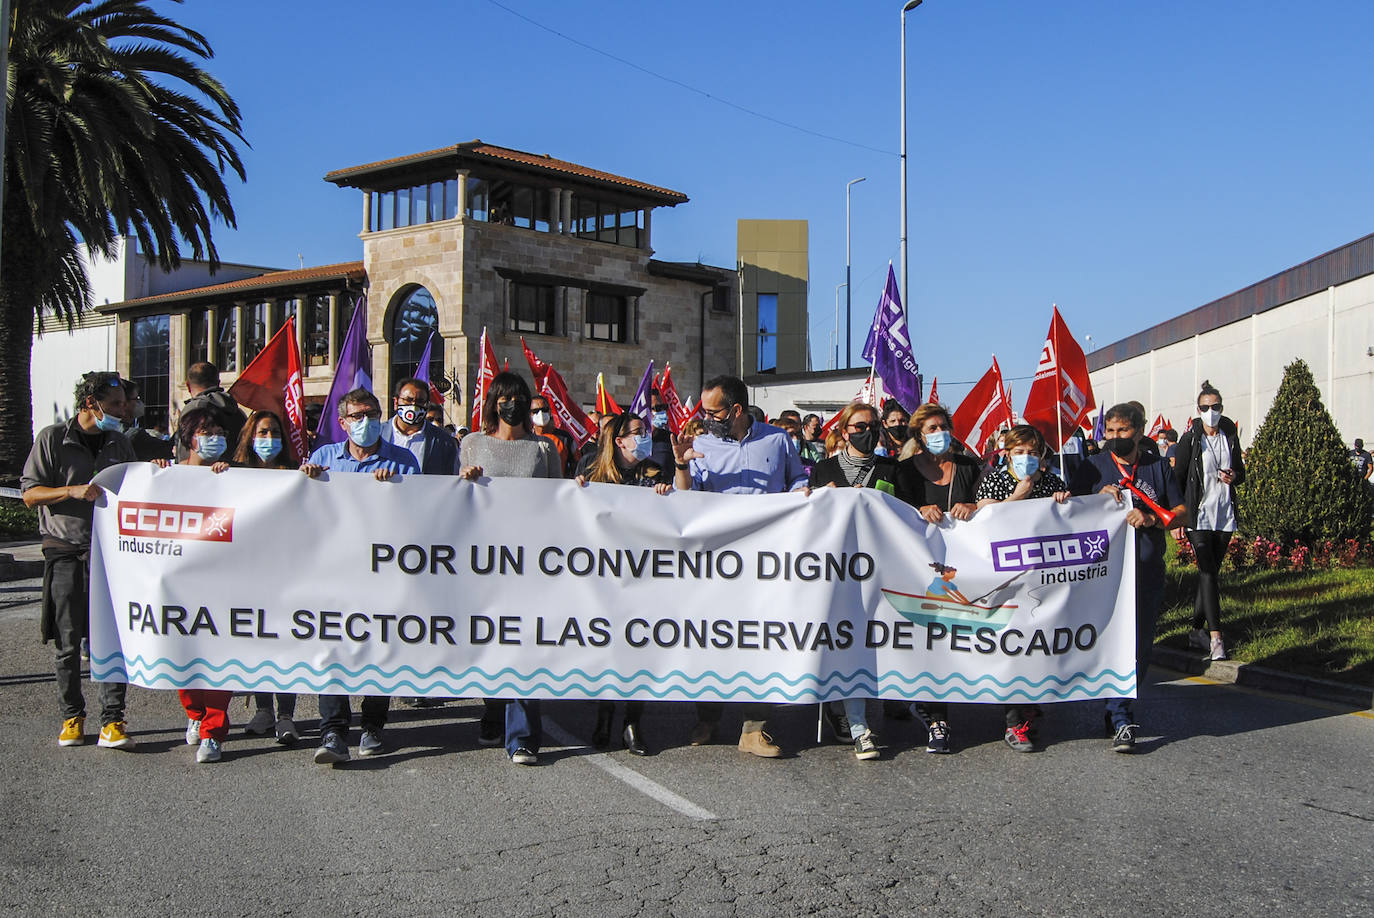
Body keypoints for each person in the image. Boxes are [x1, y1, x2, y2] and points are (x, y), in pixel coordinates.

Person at [671, 374, 808, 758]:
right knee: (714, 638)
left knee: (760, 639)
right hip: (719, 562)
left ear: (735, 410)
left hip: (767, 560)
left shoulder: (777, 439)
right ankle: (708, 716)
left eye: (712, 411)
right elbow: (685, 501)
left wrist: (803, 494)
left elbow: (796, 478)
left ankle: (754, 728)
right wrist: (682, 465)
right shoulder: (699, 445)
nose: (705, 417)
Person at [301, 388, 421, 765]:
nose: (363, 421)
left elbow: (421, 515)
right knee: (334, 646)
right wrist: (307, 481)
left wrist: (397, 492)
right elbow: (300, 513)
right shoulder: (323, 459)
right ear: (342, 422)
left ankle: (373, 724)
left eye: (370, 413)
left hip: (383, 573)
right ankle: (334, 730)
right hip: (335, 572)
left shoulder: (402, 462)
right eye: (356, 416)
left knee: (378, 647)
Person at [22, 372, 139, 751]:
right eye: (117, 404)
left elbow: (136, 490)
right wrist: (70, 490)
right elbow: (30, 494)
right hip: (65, 551)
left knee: (112, 639)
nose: (124, 410)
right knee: (69, 642)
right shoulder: (53, 439)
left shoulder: (120, 442)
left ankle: (113, 719)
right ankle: (72, 716)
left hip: (110, 556)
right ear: (92, 403)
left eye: (125, 404)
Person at [1069, 402, 1185, 753]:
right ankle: (1120, 714)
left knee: (1140, 645)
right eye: (1111, 431)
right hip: (1103, 573)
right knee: (1106, 640)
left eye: (1123, 431)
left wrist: (1152, 519)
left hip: (1146, 568)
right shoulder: (1092, 467)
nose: (1116, 437)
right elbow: (1068, 510)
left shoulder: (1158, 467)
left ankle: (1119, 706)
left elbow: (1181, 511)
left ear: (1139, 431)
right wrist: (1094, 498)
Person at [458, 371, 560, 765]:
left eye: (519, 397)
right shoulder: (472, 444)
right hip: (484, 561)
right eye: (505, 397)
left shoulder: (544, 449)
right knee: (489, 640)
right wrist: (465, 480)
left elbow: (556, 500)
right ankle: (493, 708)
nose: (513, 404)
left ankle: (522, 736)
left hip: (528, 563)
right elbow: (456, 499)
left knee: (522, 645)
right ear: (494, 402)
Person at [807, 401, 906, 761]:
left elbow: (908, 516)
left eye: (873, 426)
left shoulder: (893, 469)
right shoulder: (823, 470)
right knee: (846, 641)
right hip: (836, 571)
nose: (868, 432)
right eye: (859, 426)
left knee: (869, 644)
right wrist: (815, 498)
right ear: (845, 430)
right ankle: (859, 726)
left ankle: (853, 714)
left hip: (881, 571)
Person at [576, 411, 673, 755]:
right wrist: (576, 493)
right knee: (609, 647)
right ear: (619, 441)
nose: (644, 436)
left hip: (643, 574)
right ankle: (604, 714)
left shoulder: (653, 472)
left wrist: (667, 494)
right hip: (602, 574)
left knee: (639, 647)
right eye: (637, 432)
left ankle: (633, 721)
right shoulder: (590, 470)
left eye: (645, 430)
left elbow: (674, 515)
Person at [891, 402, 982, 752]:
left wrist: (975, 507)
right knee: (928, 638)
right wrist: (917, 510)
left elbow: (992, 506)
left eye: (943, 426)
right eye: (931, 428)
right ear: (919, 435)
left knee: (954, 638)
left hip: (964, 570)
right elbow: (892, 512)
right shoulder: (904, 472)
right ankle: (935, 717)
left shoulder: (969, 468)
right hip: (918, 571)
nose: (939, 433)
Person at [974, 424, 1071, 752]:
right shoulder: (994, 479)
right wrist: (1018, 496)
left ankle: (1029, 699)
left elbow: (1067, 520)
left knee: (1036, 641)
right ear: (1007, 453)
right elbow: (982, 521)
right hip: (1004, 580)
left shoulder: (1052, 481)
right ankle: (1013, 721)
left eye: (1032, 452)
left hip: (1042, 579)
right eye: (1019, 452)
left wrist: (1061, 500)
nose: (1026, 458)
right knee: (1010, 646)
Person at [227, 410, 304, 744]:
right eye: (262, 433)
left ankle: (286, 715)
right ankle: (263, 711)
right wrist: (216, 475)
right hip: (248, 572)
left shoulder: (293, 474)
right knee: (257, 641)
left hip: (286, 571)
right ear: (249, 436)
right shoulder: (235, 473)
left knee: (284, 643)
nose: (268, 439)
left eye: (274, 433)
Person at [165, 408, 236, 761]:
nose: (216, 437)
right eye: (208, 431)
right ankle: (195, 714)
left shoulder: (231, 478)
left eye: (220, 431)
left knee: (220, 653)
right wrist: (155, 475)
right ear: (190, 437)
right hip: (181, 582)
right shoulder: (167, 476)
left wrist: (227, 479)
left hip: (222, 581)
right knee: (184, 654)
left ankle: (214, 730)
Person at [1174, 382, 1246, 662]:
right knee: (1207, 572)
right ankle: (1216, 637)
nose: (1210, 412)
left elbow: (1241, 470)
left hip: (1224, 512)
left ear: (1222, 408)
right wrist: (1177, 517)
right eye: (1205, 407)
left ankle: (1195, 632)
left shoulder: (1229, 434)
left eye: (1215, 407)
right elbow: (1178, 477)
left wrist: (1234, 476)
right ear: (1198, 410)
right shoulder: (1190, 439)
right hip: (1197, 515)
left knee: (1211, 574)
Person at [382, 376, 460, 476]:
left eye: (420, 401)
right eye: (408, 400)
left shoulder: (444, 441)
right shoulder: (377, 434)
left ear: (426, 405)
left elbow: (453, 477)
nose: (413, 406)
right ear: (396, 402)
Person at [176, 361, 247, 462]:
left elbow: (184, 452)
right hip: (233, 471)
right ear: (218, 383)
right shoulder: (237, 412)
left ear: (188, 385)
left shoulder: (194, 409)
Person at [116, 379, 173, 461]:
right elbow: (170, 449)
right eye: (136, 399)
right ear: (125, 403)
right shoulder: (135, 435)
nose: (139, 403)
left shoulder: (110, 431)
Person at [528, 393, 574, 477]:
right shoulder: (526, 437)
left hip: (559, 486)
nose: (541, 413)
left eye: (544, 409)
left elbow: (577, 465)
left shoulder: (565, 438)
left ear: (549, 411)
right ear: (529, 414)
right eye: (535, 411)